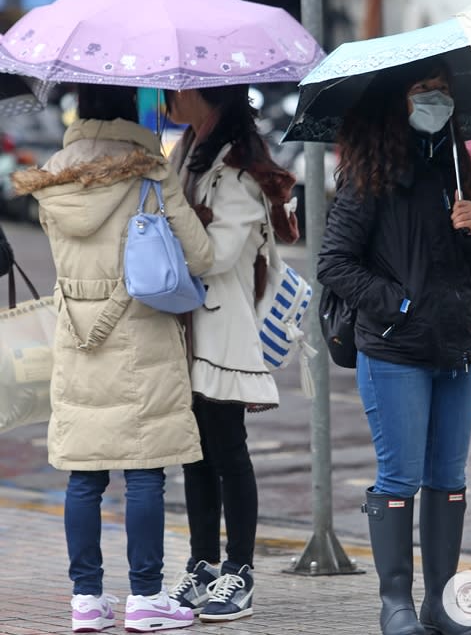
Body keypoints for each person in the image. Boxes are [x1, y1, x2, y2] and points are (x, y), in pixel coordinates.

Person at [11, 83, 214, 633]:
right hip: (140, 335)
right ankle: (146, 598)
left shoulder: (52, 174)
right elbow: (201, 253)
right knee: (145, 471)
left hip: (76, 334)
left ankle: (87, 601)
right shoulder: (148, 169)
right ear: (132, 109)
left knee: (85, 473)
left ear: (79, 110)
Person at [317, 57, 471, 635]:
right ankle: (396, 604)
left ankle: (441, 604)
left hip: (456, 345)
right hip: (395, 350)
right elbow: (334, 263)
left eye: (442, 92)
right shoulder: (372, 178)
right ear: (396, 101)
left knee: (449, 477)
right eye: (423, 91)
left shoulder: (454, 171)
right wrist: (401, 304)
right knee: (400, 477)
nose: (435, 101)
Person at [164, 85, 299, 623]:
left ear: (209, 97)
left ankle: (238, 572)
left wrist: (171, 214)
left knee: (227, 452)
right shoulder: (186, 156)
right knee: (193, 455)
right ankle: (202, 565)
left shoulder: (238, 172)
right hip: (184, 327)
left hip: (221, 331)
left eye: (181, 88)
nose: (170, 95)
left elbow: (216, 256)